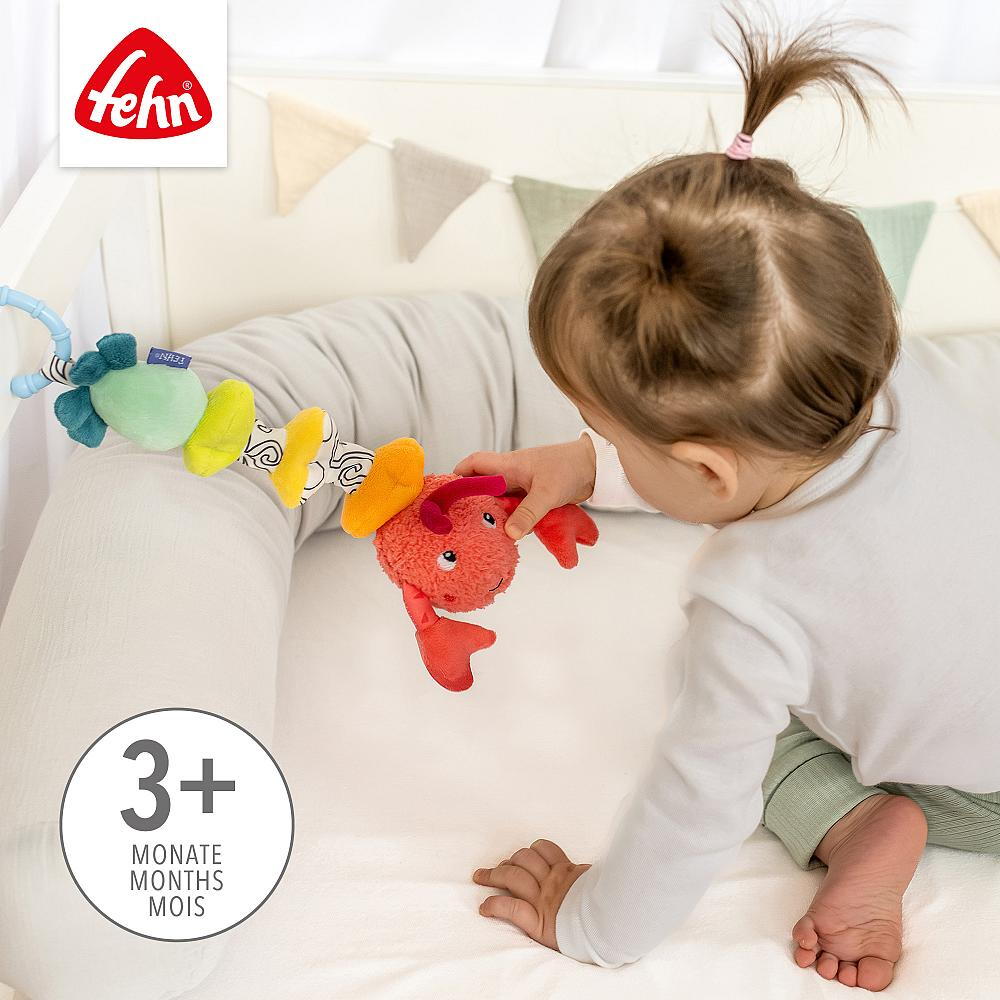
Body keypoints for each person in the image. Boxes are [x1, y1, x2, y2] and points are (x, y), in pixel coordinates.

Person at [461, 7, 1000, 991]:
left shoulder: (748, 607)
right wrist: (589, 465)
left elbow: (693, 800)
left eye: (610, 434)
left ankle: (857, 821)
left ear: (708, 471)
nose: (606, 447)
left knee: (721, 707)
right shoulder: (936, 370)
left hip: (986, 794)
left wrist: (588, 921)